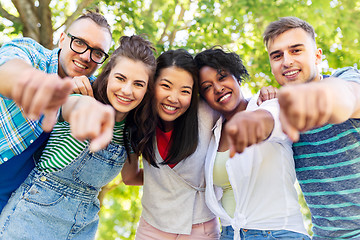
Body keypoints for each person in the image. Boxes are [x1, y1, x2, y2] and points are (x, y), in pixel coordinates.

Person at [0, 35, 157, 239]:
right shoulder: (82, 98)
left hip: (84, 222)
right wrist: (81, 105)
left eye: (138, 84)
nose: (127, 90)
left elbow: (131, 177)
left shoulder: (132, 132)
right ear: (107, 76)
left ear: (147, 90)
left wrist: (174, 177)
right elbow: (70, 107)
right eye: (120, 78)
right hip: (34, 211)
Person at [0, 10, 113, 212]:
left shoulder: (95, 91)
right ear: (62, 39)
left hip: (13, 211)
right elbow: (7, 71)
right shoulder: (30, 53)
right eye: (79, 42)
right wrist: (41, 85)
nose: (86, 56)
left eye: (97, 53)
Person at [194, 48, 311, 240]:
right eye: (207, 87)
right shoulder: (213, 132)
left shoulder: (268, 104)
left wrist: (251, 122)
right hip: (230, 233)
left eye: (222, 77)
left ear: (237, 77)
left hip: (277, 233)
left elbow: (270, 121)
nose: (217, 88)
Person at [262, 16, 360, 239]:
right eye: (277, 56)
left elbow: (349, 96)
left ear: (317, 56)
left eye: (296, 50)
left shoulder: (346, 79)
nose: (286, 61)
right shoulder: (282, 110)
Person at [121, 49, 221, 239]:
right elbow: (129, 177)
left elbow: (243, 108)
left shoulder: (209, 113)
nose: (174, 98)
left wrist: (266, 97)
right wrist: (158, 179)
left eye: (185, 91)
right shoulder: (136, 120)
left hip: (201, 227)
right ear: (152, 85)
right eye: (166, 86)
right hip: (152, 227)